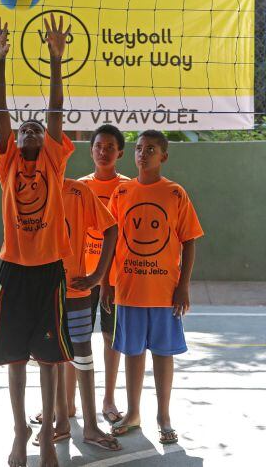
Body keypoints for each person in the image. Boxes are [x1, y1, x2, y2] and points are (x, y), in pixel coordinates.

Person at [0, 15, 74, 467]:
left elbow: (55, 109)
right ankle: (20, 431)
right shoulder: (9, 164)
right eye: (25, 130)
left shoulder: (55, 163)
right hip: (14, 269)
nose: (31, 132)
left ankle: (46, 440)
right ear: (15, 141)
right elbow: (0, 112)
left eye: (37, 129)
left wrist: (56, 61)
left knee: (51, 357)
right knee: (15, 356)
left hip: (50, 271)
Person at [105, 130, 203, 446]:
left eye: (150, 149)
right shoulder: (121, 192)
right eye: (138, 148)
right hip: (129, 290)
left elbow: (189, 241)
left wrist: (183, 286)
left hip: (164, 292)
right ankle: (133, 413)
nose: (142, 153)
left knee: (163, 353)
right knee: (132, 352)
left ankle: (164, 416)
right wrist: (107, 281)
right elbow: (111, 241)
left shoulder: (175, 193)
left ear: (163, 156)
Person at [56, 177, 121, 451]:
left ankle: (91, 426)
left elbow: (111, 229)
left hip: (75, 291)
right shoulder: (26, 185)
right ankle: (58, 422)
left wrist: (98, 275)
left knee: (83, 355)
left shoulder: (78, 191)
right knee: (51, 358)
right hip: (41, 294)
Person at [77, 124, 131, 425]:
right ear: (91, 150)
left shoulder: (127, 188)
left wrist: (107, 278)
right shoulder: (80, 187)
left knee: (111, 337)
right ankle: (66, 402)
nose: (103, 151)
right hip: (82, 276)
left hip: (113, 278)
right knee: (77, 337)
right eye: (99, 146)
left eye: (110, 147)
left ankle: (108, 398)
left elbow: (122, 237)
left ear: (119, 152)